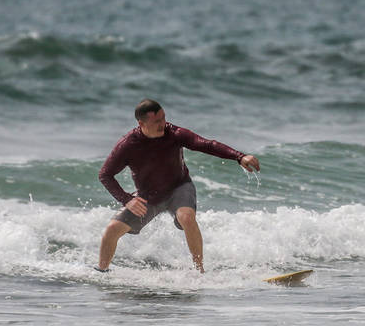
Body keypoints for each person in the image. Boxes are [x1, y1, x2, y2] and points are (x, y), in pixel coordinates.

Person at [97, 99, 260, 272]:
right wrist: (127, 199)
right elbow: (105, 175)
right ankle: (102, 272)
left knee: (187, 217)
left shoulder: (175, 134)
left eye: (164, 118)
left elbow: (207, 145)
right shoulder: (128, 145)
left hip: (179, 187)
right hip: (148, 196)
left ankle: (200, 272)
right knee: (112, 230)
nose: (163, 124)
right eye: (157, 121)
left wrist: (239, 156)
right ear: (141, 123)